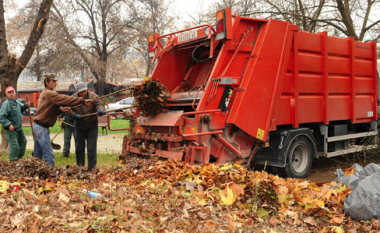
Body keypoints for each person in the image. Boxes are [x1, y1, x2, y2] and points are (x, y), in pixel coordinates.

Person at [33, 74, 92, 166]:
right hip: (41, 128)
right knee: (49, 154)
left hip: (38, 126)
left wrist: (60, 110)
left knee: (38, 154)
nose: (55, 83)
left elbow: (46, 109)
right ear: (47, 82)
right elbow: (65, 99)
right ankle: (49, 175)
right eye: (53, 81)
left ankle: (35, 174)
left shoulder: (44, 93)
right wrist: (82, 101)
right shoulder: (50, 93)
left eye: (56, 81)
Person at [68, 82, 104, 170]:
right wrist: (74, 115)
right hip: (79, 126)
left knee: (91, 148)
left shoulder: (93, 96)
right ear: (77, 91)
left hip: (92, 126)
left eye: (84, 91)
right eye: (81, 92)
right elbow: (68, 110)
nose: (83, 94)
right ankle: (80, 167)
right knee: (79, 148)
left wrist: (100, 110)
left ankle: (92, 168)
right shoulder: (73, 98)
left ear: (87, 89)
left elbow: (99, 104)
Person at [0, 86, 29, 162]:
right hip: (11, 129)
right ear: (6, 94)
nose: (11, 94)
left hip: (18, 128)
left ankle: (19, 158)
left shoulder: (16, 102)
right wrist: (9, 124)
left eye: (12, 92)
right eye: (9, 93)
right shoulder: (6, 104)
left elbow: (21, 108)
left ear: (15, 93)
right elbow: (1, 116)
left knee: (23, 141)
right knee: (14, 145)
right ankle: (12, 161)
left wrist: (26, 106)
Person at [59, 84, 76, 157]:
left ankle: (78, 152)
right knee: (66, 139)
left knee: (77, 140)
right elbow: (62, 112)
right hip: (67, 123)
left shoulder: (76, 102)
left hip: (76, 123)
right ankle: (65, 153)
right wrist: (60, 116)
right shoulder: (65, 102)